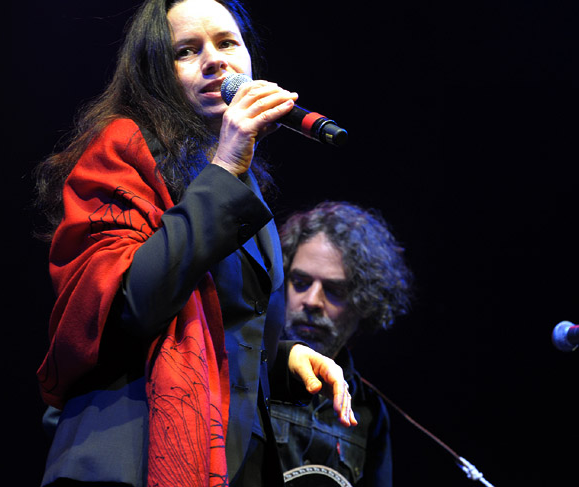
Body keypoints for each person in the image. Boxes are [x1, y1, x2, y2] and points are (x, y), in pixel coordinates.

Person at [32, 1, 356, 486]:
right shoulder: (121, 151)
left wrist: (283, 355)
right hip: (126, 462)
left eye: (228, 43)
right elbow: (132, 302)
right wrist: (225, 167)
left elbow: (224, 319)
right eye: (187, 50)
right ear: (155, 74)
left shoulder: (242, 184)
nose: (215, 61)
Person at [269, 201, 414, 487]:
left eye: (333, 290)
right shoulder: (250, 371)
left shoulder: (369, 410)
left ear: (364, 303)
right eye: (299, 282)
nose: (311, 301)